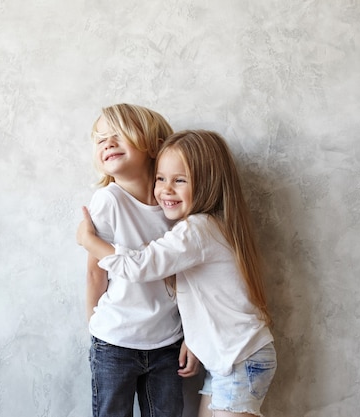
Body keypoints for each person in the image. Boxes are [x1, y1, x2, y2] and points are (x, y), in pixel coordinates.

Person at [77, 130, 276, 417]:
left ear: (207, 183)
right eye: (161, 178)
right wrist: (193, 341)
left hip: (239, 359)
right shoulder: (212, 226)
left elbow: (141, 266)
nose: (166, 189)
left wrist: (89, 241)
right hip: (233, 357)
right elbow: (204, 299)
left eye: (179, 180)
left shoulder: (197, 230)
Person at [83, 104, 200, 417]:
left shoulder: (174, 203)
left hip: (167, 344)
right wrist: (94, 327)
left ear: (152, 144)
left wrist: (192, 336)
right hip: (115, 341)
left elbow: (189, 279)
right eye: (100, 139)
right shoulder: (108, 202)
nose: (107, 143)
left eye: (118, 135)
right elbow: (96, 273)